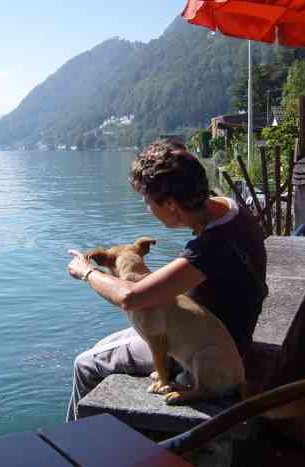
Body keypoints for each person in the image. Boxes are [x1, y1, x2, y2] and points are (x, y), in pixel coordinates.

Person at [65, 139, 267, 421]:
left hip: (203, 348)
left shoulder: (212, 246)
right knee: (104, 346)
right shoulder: (230, 210)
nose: (147, 209)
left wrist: (86, 271)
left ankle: (77, 443)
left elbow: (131, 297)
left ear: (171, 204)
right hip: (210, 330)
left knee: (85, 363)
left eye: (147, 201)